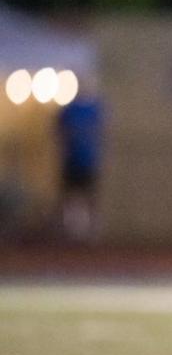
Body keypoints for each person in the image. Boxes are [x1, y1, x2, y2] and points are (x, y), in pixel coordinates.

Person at [57, 80, 105, 242]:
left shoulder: (94, 109)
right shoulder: (68, 109)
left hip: (88, 161)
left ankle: (92, 234)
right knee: (69, 199)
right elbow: (59, 134)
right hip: (71, 161)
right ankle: (68, 232)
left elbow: (102, 133)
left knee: (90, 198)